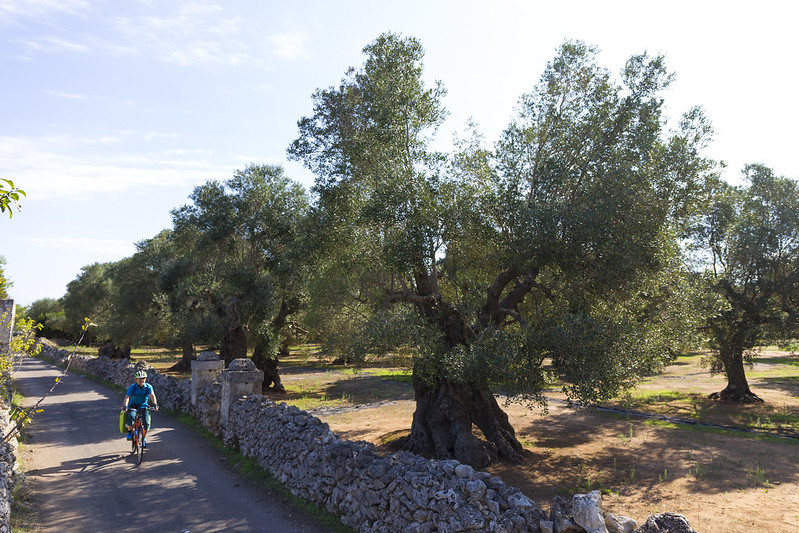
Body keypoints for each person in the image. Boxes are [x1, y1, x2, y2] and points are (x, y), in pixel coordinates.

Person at [122, 370, 158, 447]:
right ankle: (129, 432)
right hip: (133, 405)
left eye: (143, 379)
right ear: (136, 380)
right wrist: (125, 406)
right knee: (131, 417)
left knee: (146, 423)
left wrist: (155, 404)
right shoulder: (133, 387)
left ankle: (143, 438)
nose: (142, 380)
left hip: (143, 406)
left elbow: (152, 395)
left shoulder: (148, 387)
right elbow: (127, 397)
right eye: (139, 379)